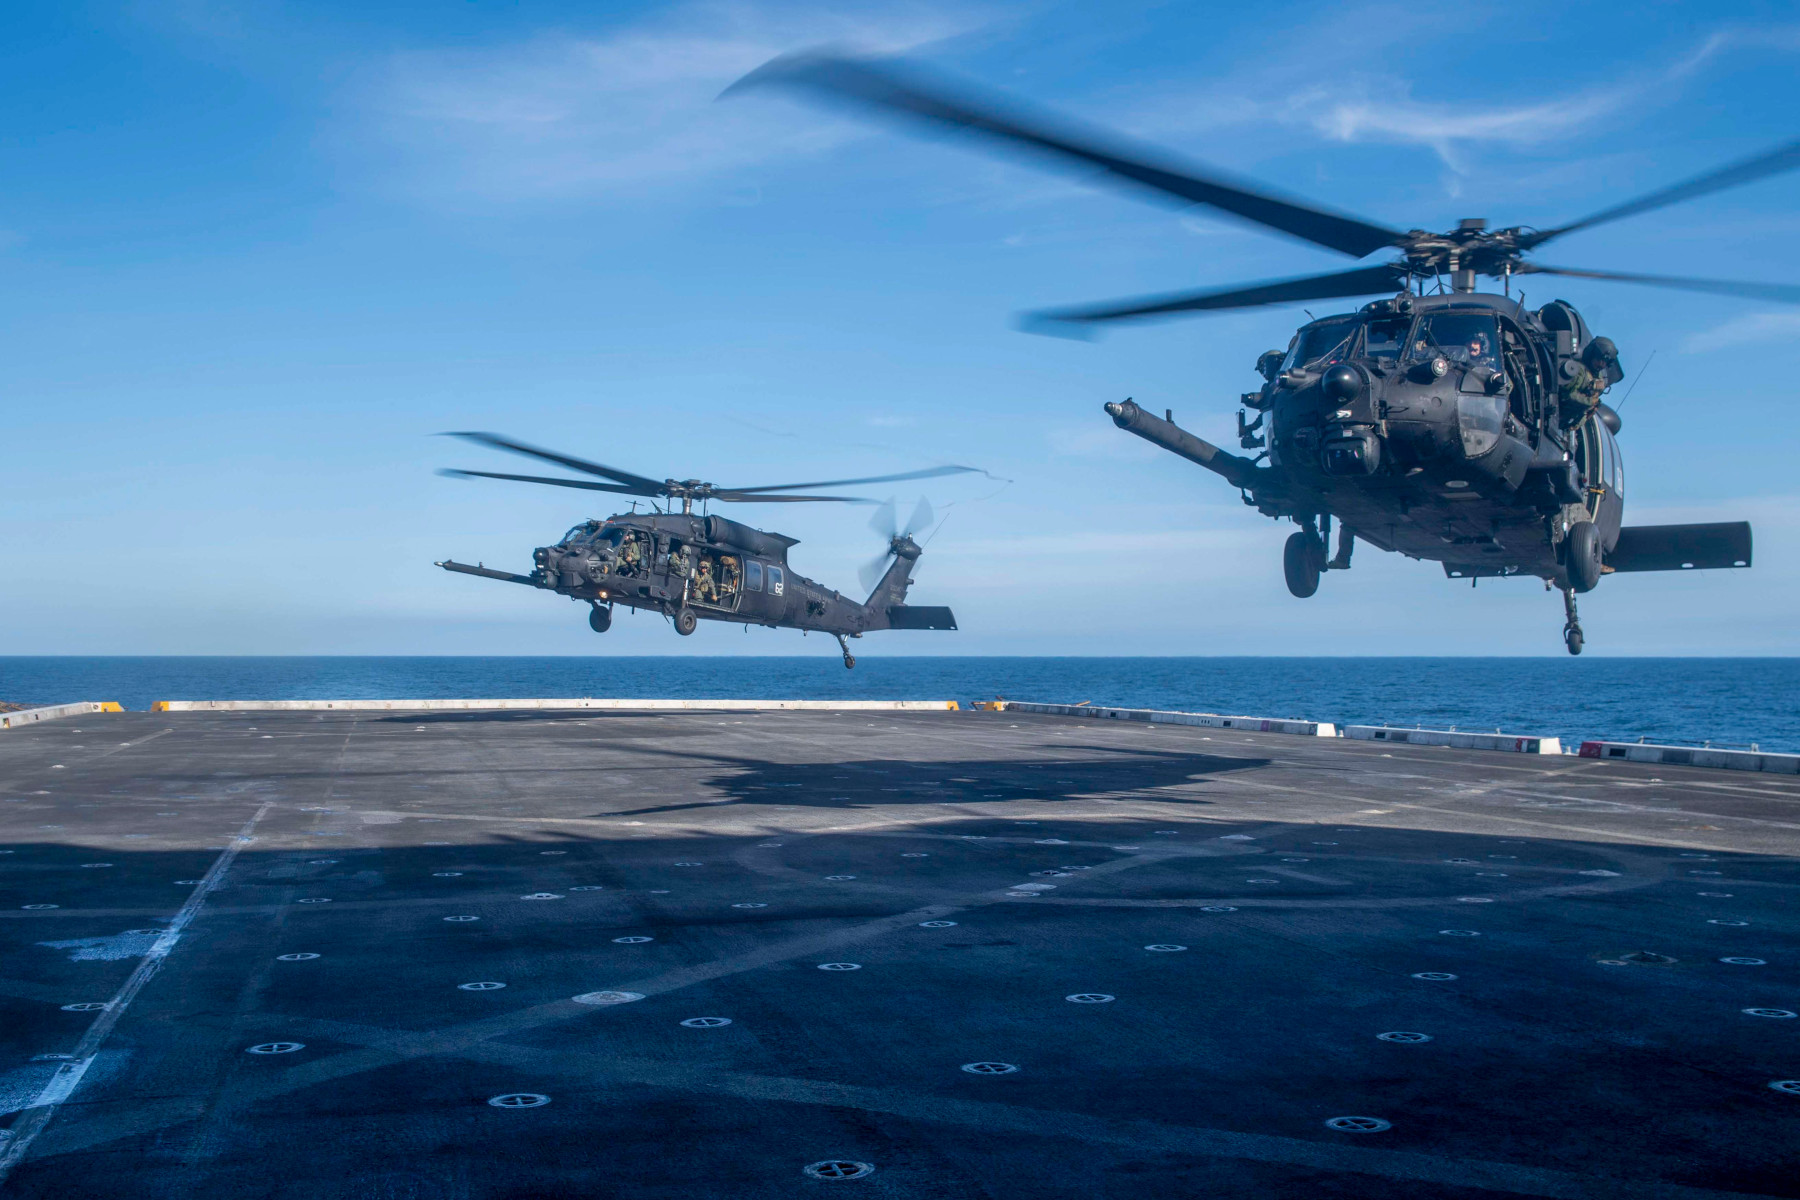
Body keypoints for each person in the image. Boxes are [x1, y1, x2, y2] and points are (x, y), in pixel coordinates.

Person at [1558, 336, 1619, 423]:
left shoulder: (1598, 377)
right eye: (1599, 359)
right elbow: (1567, 395)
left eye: (1605, 362)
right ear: (1591, 355)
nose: (1601, 364)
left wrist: (1594, 405)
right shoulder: (1579, 370)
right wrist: (1590, 401)